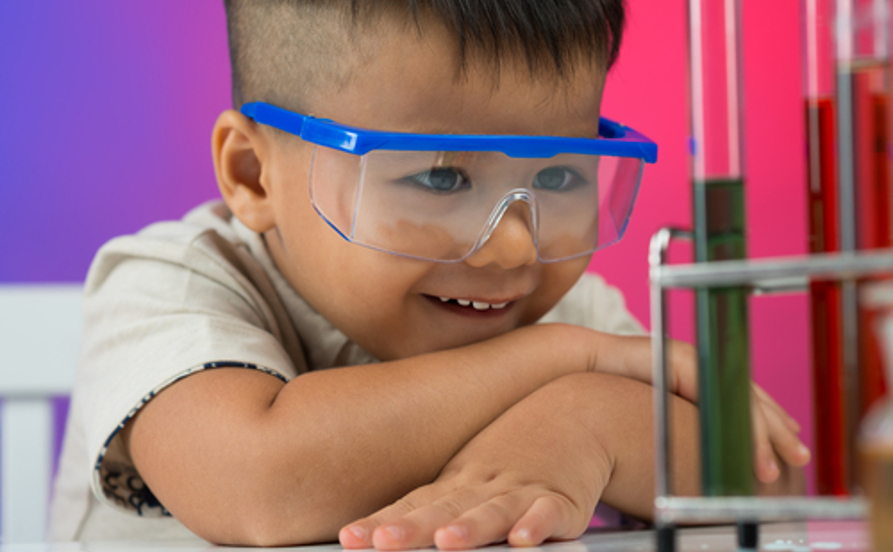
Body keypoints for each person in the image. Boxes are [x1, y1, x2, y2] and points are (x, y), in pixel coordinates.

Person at [50, 0, 810, 549]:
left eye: (557, 176)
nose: (514, 247)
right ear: (254, 175)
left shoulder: (560, 307)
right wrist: (556, 361)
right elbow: (259, 483)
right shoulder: (171, 282)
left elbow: (766, 486)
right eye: (442, 180)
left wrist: (593, 422)